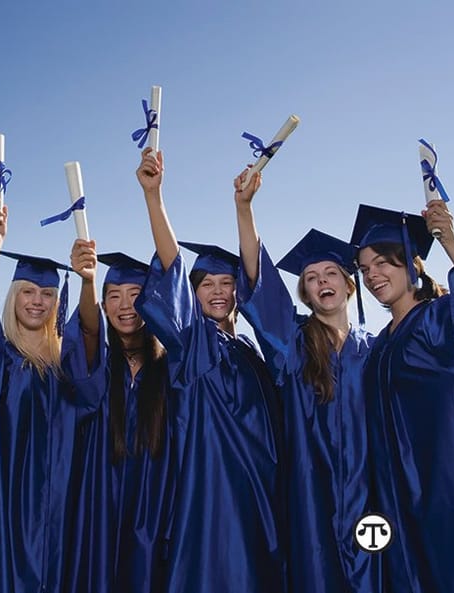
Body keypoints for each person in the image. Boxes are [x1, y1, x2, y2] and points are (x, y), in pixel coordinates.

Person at [133, 148, 285, 592]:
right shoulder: (193, 345)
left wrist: (244, 209)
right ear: (193, 295)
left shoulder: (254, 355)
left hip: (262, 498)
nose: (217, 292)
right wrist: (154, 198)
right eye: (207, 286)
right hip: (213, 499)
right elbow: (172, 269)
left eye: (227, 283)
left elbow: (265, 294)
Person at [0, 195, 104, 593]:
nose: (37, 300)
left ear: (55, 300)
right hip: (5, 501)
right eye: (28, 291)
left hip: (60, 503)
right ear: (14, 295)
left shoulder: (64, 362)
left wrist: (88, 280)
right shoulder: (1, 355)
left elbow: (90, 334)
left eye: (46, 293)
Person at [233, 169, 380, 592]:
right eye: (311, 279)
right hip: (310, 498)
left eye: (330, 274)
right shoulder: (292, 344)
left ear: (349, 285)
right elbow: (261, 286)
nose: (321, 282)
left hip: (371, 496)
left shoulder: (377, 350)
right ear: (306, 295)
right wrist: (245, 209)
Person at [351, 201, 454, 593]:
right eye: (364, 269)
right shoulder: (379, 346)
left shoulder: (437, 319)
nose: (372, 275)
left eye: (382, 263)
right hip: (396, 496)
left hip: (441, 484)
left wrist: (450, 241)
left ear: (411, 263)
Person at [68, 241, 175, 593]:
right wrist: (87, 281)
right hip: (99, 510)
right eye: (113, 295)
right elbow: (87, 330)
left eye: (135, 294)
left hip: (155, 512)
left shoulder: (171, 371)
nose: (125, 305)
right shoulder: (96, 368)